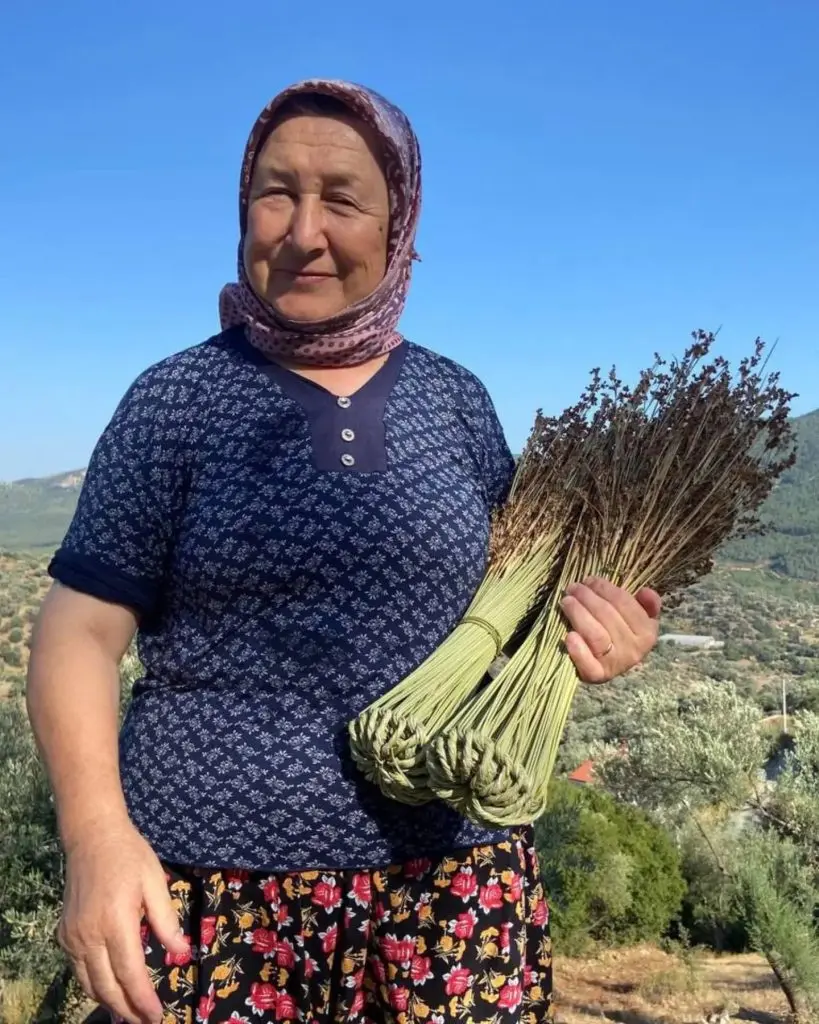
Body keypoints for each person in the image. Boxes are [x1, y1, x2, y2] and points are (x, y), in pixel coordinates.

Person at [27, 79, 661, 1024]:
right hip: (206, 899)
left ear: (399, 224)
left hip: (452, 891)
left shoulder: (457, 402)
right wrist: (95, 839)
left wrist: (601, 641)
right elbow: (75, 636)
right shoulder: (174, 403)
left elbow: (525, 608)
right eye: (275, 192)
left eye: (344, 199)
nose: (301, 230)